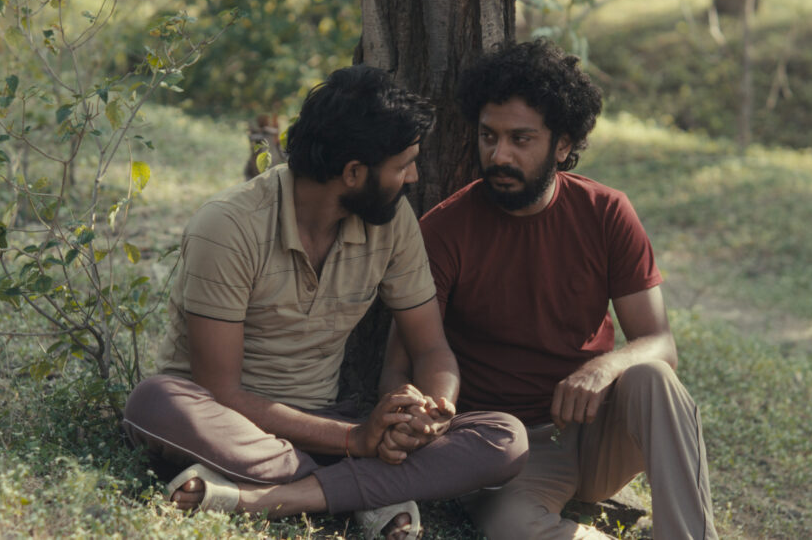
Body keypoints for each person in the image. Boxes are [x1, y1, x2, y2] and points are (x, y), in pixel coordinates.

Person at [122, 65, 528, 540]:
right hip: (227, 422)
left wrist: (433, 414)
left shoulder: (391, 223)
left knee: (504, 439)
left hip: (327, 420)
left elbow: (431, 349)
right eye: (403, 165)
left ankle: (264, 496)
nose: (414, 177)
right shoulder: (229, 227)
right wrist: (358, 442)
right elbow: (222, 392)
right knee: (153, 402)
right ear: (353, 173)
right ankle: (370, 494)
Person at [383, 40, 718, 539]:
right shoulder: (444, 230)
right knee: (513, 528)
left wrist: (604, 368)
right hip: (514, 447)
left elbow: (661, 343)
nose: (499, 154)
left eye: (521, 139)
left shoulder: (606, 212)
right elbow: (401, 358)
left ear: (562, 144)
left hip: (598, 430)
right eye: (488, 136)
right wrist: (411, 412)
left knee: (653, 378)